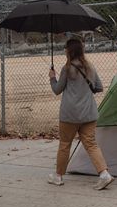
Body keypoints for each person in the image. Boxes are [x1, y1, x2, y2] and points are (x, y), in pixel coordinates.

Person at [48, 38, 113, 190]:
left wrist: (52, 78)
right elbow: (99, 87)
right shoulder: (90, 66)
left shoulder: (67, 68)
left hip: (69, 114)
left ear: (68, 51)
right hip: (89, 113)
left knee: (65, 144)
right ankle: (104, 174)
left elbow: (57, 89)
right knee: (91, 144)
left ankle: (58, 176)